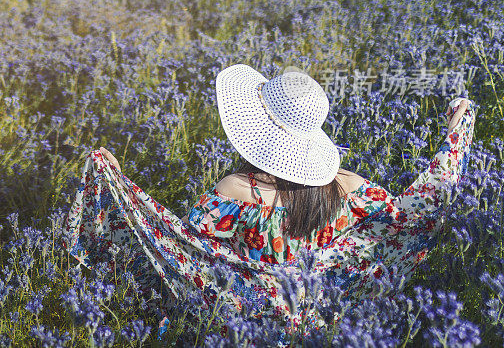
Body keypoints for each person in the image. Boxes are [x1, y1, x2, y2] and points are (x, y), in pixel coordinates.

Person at [62, 63, 476, 335]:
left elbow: (181, 250)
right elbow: (412, 212)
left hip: (246, 326)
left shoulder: (237, 192)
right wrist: (453, 140)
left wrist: (116, 182)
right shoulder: (349, 186)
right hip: (322, 323)